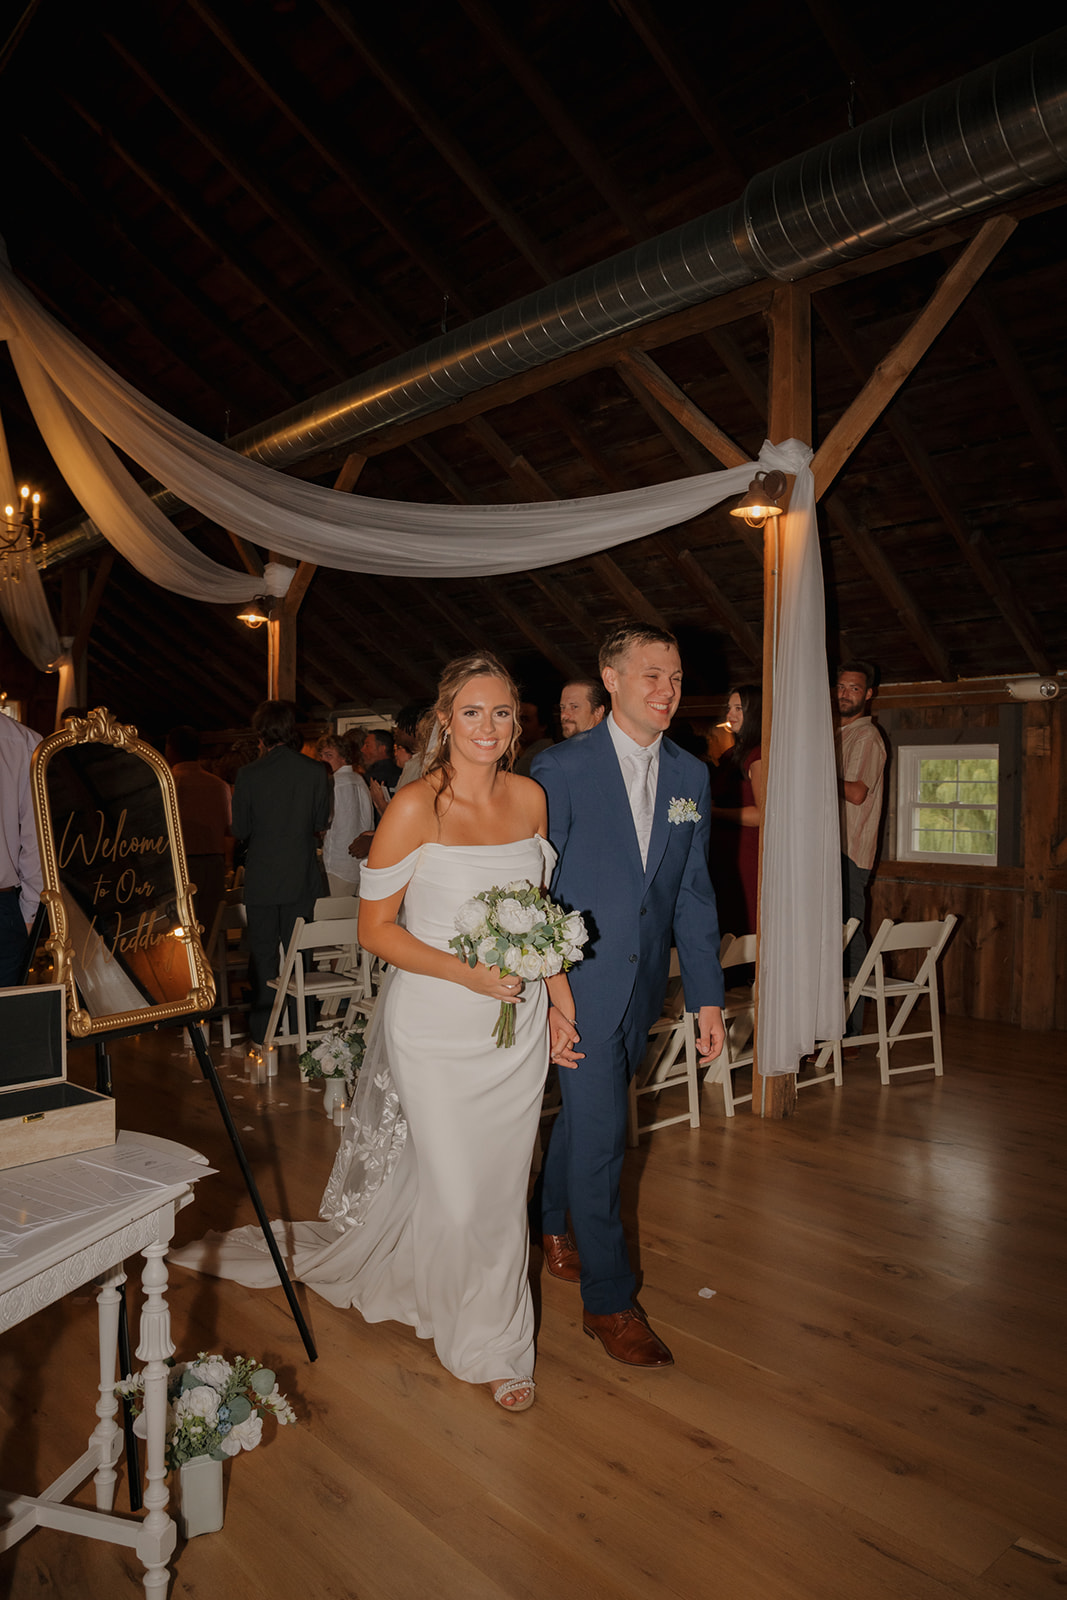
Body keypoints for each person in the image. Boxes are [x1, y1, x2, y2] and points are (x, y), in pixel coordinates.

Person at [172, 655, 578, 1415]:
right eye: (472, 712)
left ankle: (469, 1312)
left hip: (513, 1028)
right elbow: (376, 930)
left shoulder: (530, 798)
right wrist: (467, 975)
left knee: (497, 1190)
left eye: (501, 713)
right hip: (436, 1024)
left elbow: (540, 915)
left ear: (516, 723)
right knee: (460, 1193)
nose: (488, 727)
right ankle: (488, 1345)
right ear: (444, 721)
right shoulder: (414, 807)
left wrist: (559, 1003)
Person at [532, 622, 725, 1369]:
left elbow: (693, 893)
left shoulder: (690, 776)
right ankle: (609, 1302)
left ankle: (552, 1219)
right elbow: (535, 889)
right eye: (651, 675)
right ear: (610, 679)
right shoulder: (561, 767)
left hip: (642, 988)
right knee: (605, 1135)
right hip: (575, 989)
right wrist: (550, 994)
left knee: (593, 1121)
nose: (667, 691)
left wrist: (705, 998)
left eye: (674, 677)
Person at [232, 701, 330, 1049]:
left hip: (262, 876)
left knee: (263, 957)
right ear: (290, 730)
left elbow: (240, 829)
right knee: (299, 956)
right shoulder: (315, 771)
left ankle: (263, 1035)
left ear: (261, 733)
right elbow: (320, 822)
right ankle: (304, 1031)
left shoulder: (248, 774)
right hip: (300, 874)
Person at [835, 660, 887, 1038]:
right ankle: (831, 1023)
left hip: (849, 853)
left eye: (854, 688)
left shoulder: (866, 737)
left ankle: (851, 1031)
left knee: (850, 936)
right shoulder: (836, 734)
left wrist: (814, 773)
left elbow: (855, 793)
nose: (845, 694)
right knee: (834, 938)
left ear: (868, 694)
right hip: (829, 852)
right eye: (841, 687)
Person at [166, 724, 232, 940]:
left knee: (181, 931)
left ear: (170, 750)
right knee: (210, 931)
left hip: (181, 866)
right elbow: (229, 827)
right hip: (214, 864)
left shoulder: (168, 784)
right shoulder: (219, 785)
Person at [709, 685, 763, 937]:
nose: (730, 714)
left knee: (743, 925)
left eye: (739, 708)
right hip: (726, 854)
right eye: (729, 708)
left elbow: (761, 815)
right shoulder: (732, 754)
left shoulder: (759, 755)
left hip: (746, 855)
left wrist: (714, 812)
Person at [0, 712, 43, 985]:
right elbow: (37, 845)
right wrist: (28, 917)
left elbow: (37, 843)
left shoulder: (30, 745)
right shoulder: (26, 743)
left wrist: (27, 917)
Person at [316, 730, 373, 897]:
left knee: (334, 911)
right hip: (362, 862)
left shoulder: (334, 783)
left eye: (329, 755)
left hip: (338, 863)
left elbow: (324, 821)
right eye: (321, 755)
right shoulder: (359, 779)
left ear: (343, 757)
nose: (323, 760)